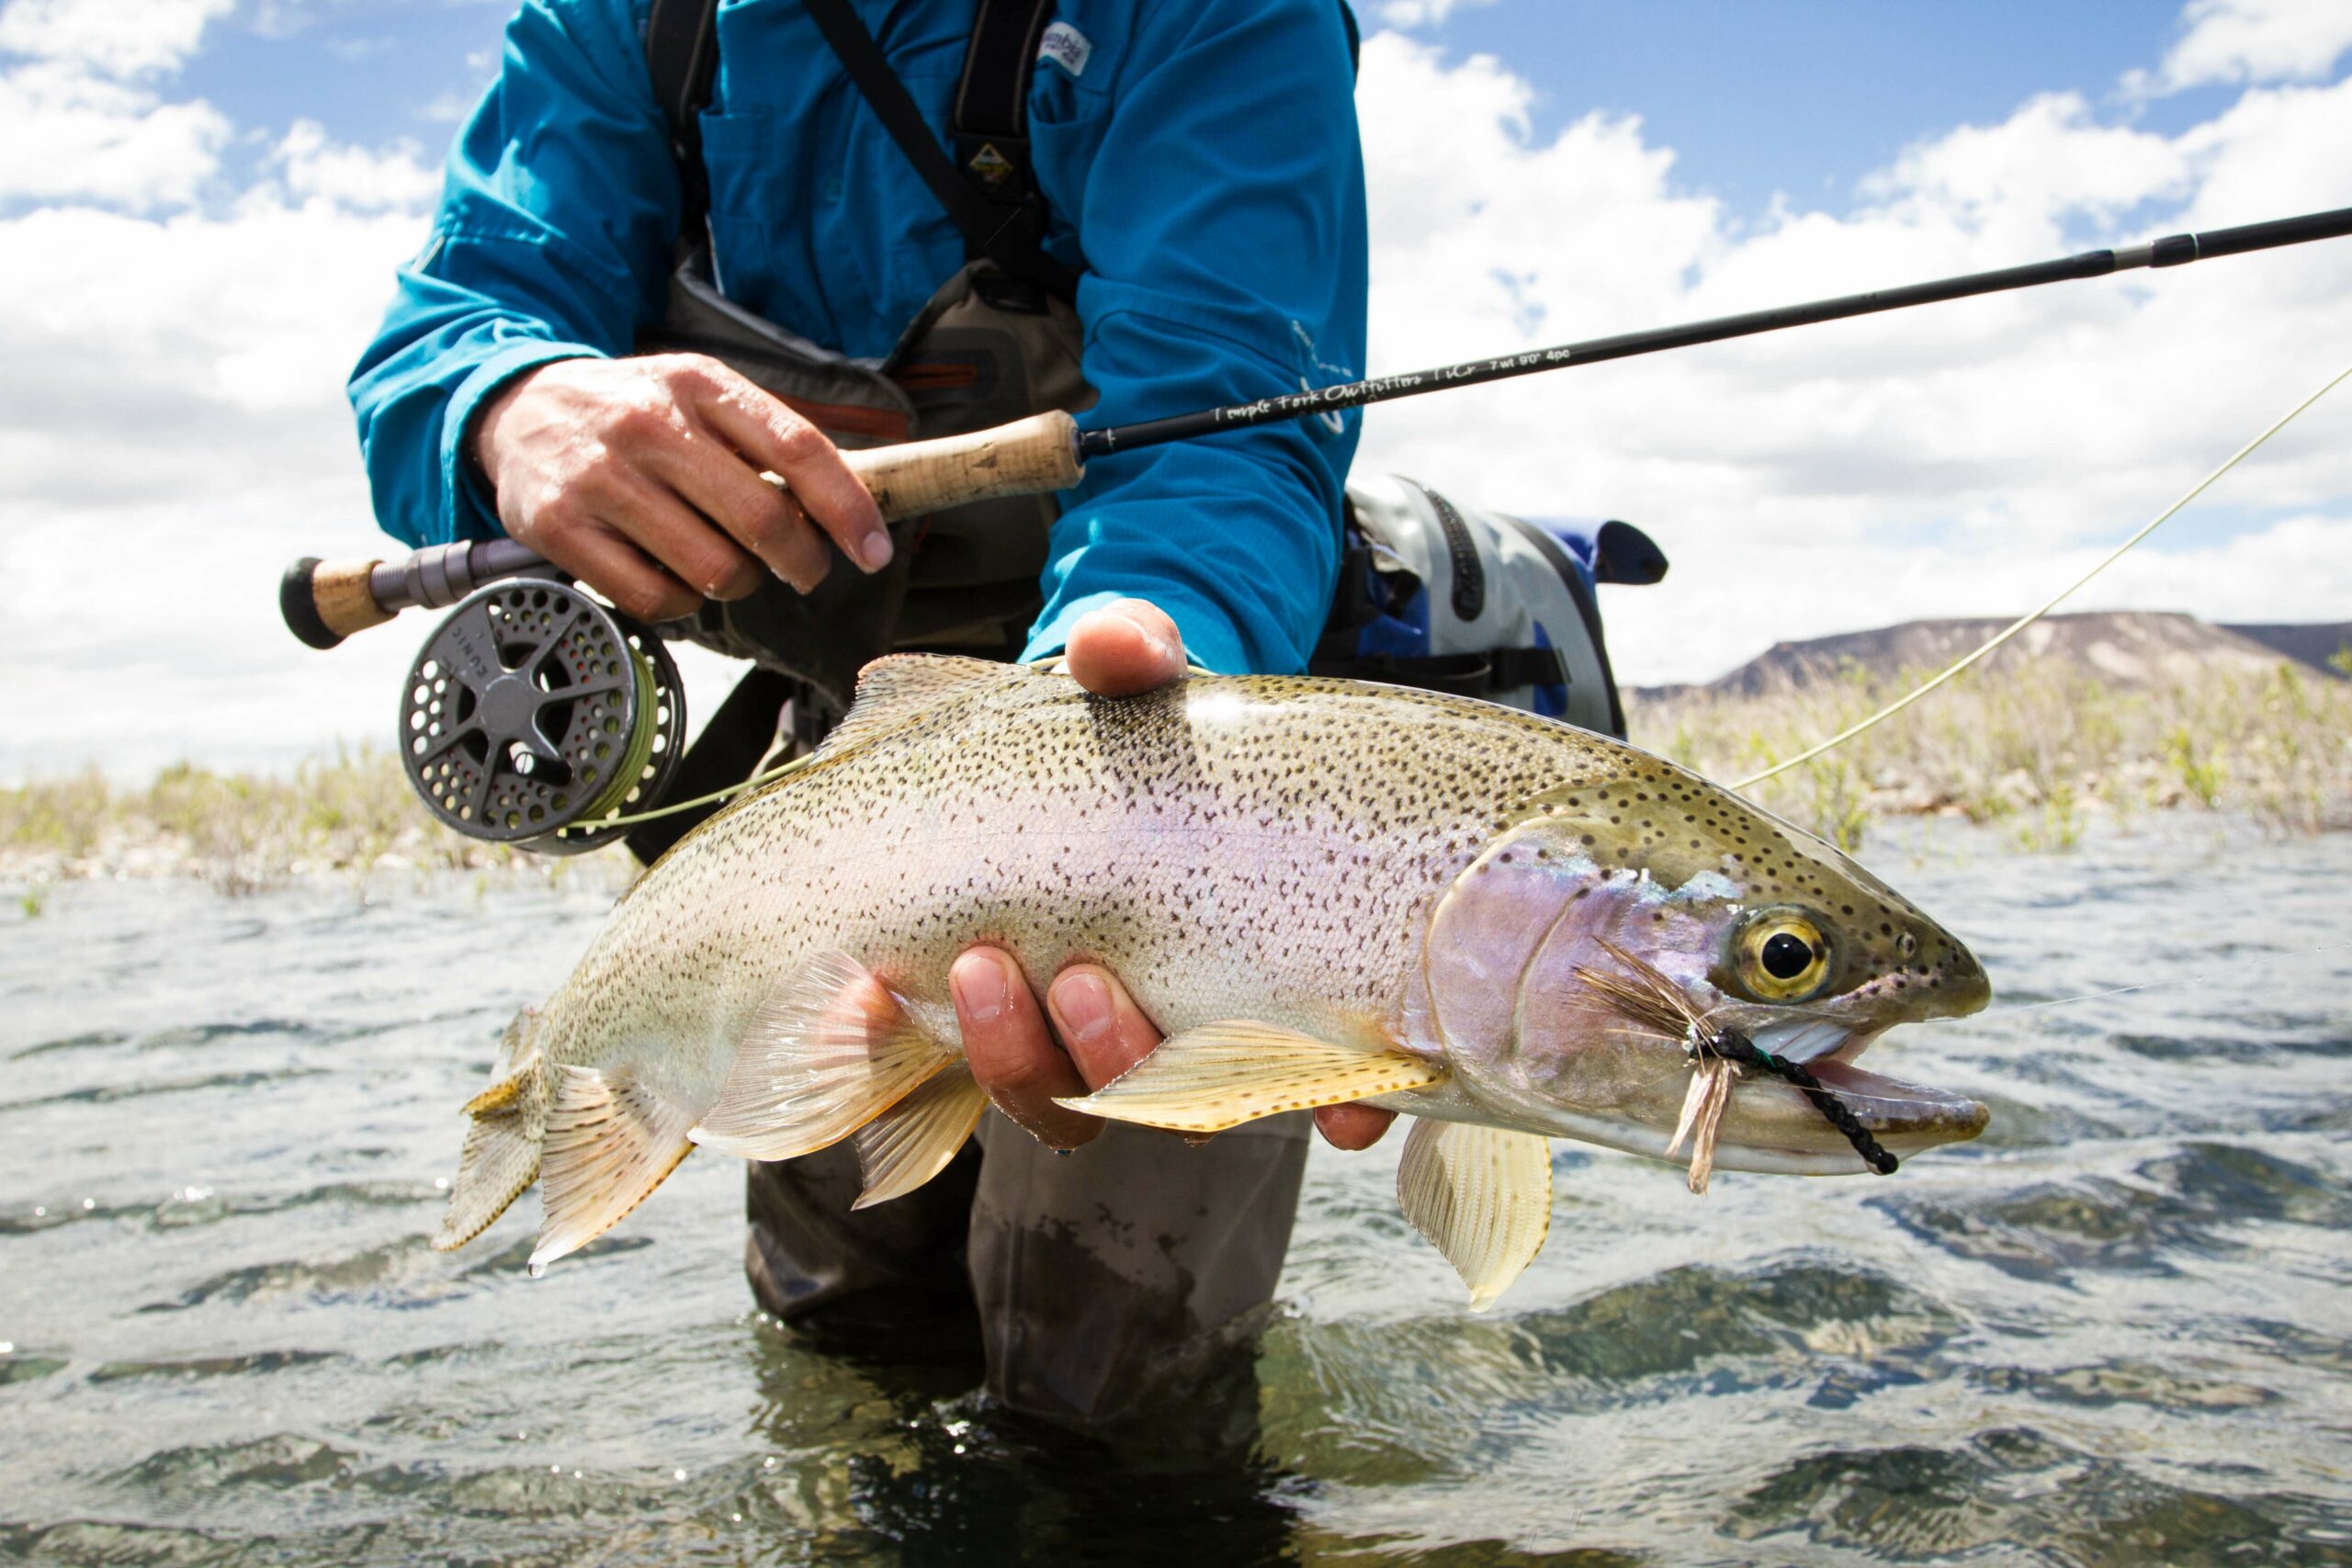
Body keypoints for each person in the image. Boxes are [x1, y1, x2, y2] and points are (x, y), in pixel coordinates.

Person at [349, 0, 1381, 1425]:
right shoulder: (621, 20)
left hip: (1158, 735)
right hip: (852, 744)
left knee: (1118, 1388)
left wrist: (1117, 685)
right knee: (842, 1338)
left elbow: (1229, 432)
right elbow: (457, 315)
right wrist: (504, 403)